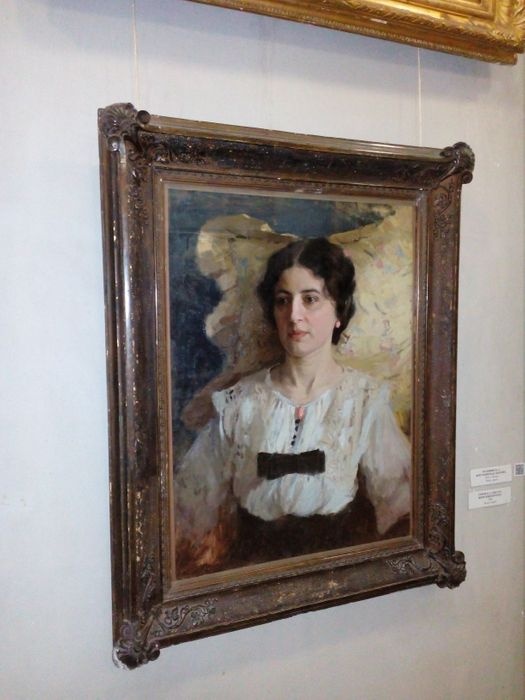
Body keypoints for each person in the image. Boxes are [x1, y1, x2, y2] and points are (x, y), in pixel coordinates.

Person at [175, 238, 410, 575]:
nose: (294, 315)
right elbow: (192, 505)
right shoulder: (239, 403)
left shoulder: (363, 401)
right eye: (283, 301)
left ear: (339, 311)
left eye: (310, 299)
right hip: (251, 573)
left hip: (340, 574)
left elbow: (402, 505)